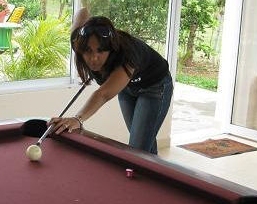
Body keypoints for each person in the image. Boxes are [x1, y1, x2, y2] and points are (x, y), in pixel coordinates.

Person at [48, 8, 173, 155]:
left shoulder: (127, 55)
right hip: (127, 89)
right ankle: (154, 168)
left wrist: (78, 119)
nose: (94, 58)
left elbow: (103, 94)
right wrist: (94, 26)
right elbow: (83, 12)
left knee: (137, 148)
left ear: (111, 49)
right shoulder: (78, 40)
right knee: (144, 140)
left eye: (100, 51)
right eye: (88, 51)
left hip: (155, 86)